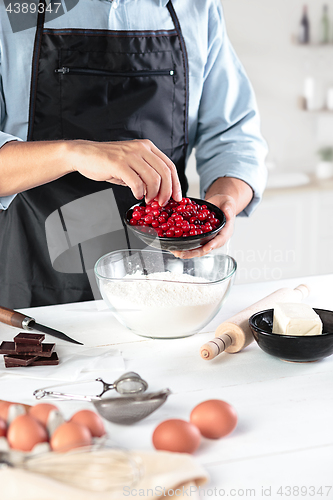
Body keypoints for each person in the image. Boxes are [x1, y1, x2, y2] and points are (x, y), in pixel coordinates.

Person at [0, 0, 267, 309]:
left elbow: (234, 136)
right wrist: (73, 153)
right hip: (37, 279)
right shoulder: (13, 10)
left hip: (163, 282)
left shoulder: (194, 7)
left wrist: (227, 198)